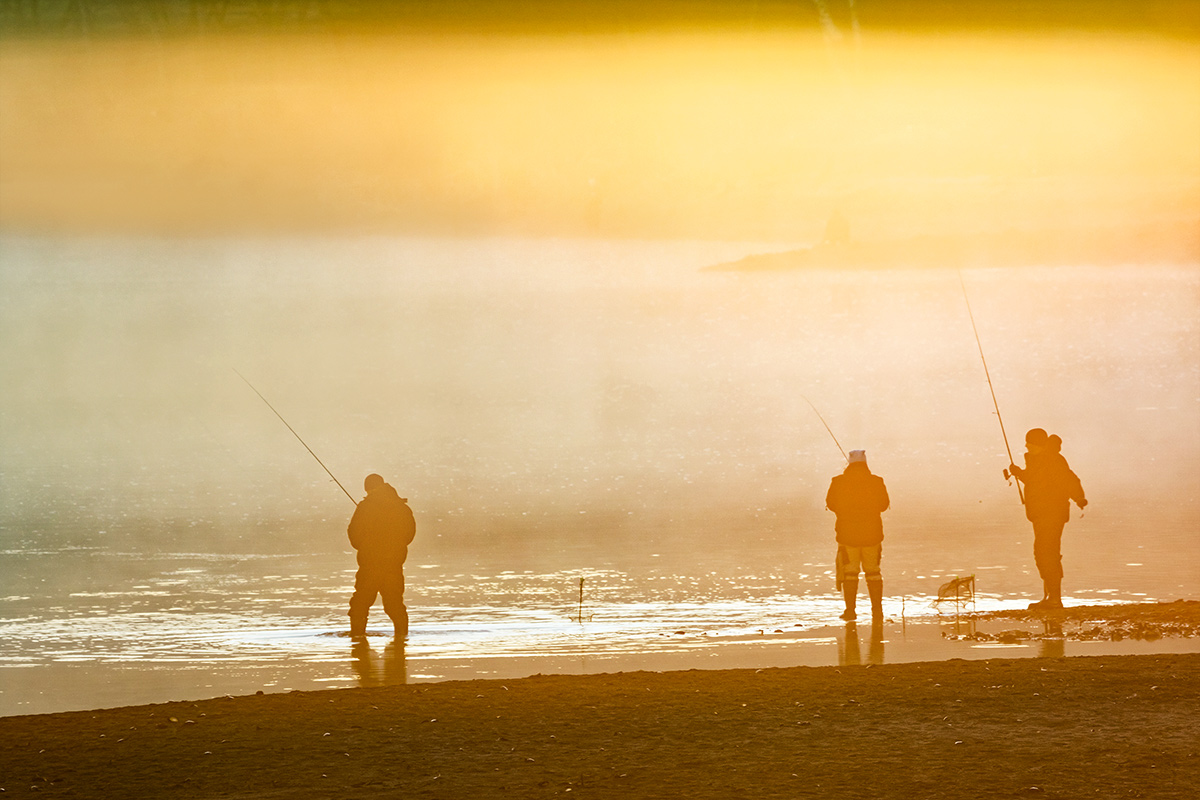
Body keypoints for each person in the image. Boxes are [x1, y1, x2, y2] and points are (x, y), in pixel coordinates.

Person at [1007, 428, 1087, 610]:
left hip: (1052, 514)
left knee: (1046, 553)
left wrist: (1079, 498)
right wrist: (1018, 473)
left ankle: (1054, 599)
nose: (1026, 445)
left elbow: (1070, 479)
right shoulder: (1037, 460)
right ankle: (1050, 597)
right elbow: (1035, 480)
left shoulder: (1054, 461)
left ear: (1040, 445)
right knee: (1045, 553)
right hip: (1040, 514)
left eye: (1030, 443)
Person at [347, 473, 416, 638]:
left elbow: (353, 534)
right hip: (393, 564)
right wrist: (396, 548)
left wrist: (364, 547)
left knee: (360, 604)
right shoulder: (402, 508)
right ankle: (402, 640)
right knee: (394, 604)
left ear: (369, 489)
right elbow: (409, 534)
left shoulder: (365, 507)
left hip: (369, 564)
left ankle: (357, 640)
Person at [825, 449, 890, 621]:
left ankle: (850, 611)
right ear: (865, 463)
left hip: (847, 536)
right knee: (873, 572)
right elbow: (884, 505)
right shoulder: (877, 481)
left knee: (849, 573)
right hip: (872, 535)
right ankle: (877, 611)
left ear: (849, 463)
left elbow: (830, 504)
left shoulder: (838, 482)